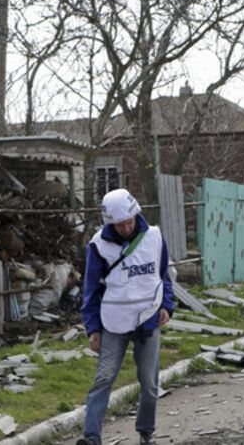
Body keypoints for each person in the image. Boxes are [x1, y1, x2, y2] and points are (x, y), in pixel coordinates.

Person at [77, 189, 174, 445]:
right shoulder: (98, 245)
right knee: (104, 378)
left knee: (149, 384)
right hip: (113, 322)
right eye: (120, 225)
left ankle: (146, 432)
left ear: (135, 215)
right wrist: (92, 329)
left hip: (148, 318)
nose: (127, 228)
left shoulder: (154, 237)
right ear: (110, 223)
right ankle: (91, 437)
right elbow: (91, 290)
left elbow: (163, 275)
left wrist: (166, 305)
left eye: (129, 222)